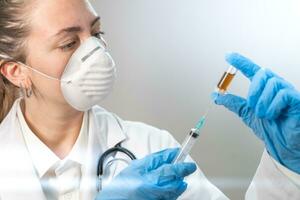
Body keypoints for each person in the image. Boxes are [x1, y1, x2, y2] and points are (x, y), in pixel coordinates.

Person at [0, 1, 298, 200]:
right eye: (68, 43)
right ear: (16, 71)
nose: (94, 52)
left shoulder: (152, 150)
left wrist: (286, 167)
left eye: (96, 32)